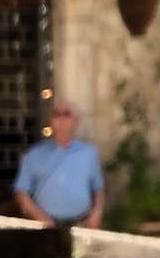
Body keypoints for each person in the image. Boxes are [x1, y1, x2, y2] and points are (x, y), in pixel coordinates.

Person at [14, 98, 105, 230]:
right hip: (45, 227)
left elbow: (98, 190)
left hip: (82, 224)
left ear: (77, 120)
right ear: (50, 121)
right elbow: (21, 193)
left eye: (66, 114)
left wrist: (96, 214)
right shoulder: (33, 155)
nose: (61, 119)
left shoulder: (89, 153)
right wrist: (42, 219)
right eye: (56, 114)